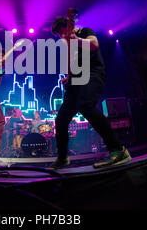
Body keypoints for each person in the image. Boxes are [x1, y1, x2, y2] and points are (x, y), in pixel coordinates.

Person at [50, 13, 131, 169]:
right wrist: (68, 76)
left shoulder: (84, 32)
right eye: (59, 35)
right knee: (61, 119)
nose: (61, 37)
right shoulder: (68, 45)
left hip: (93, 73)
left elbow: (94, 44)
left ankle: (118, 150)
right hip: (76, 81)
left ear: (69, 28)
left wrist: (76, 40)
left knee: (85, 105)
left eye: (62, 32)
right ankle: (62, 158)